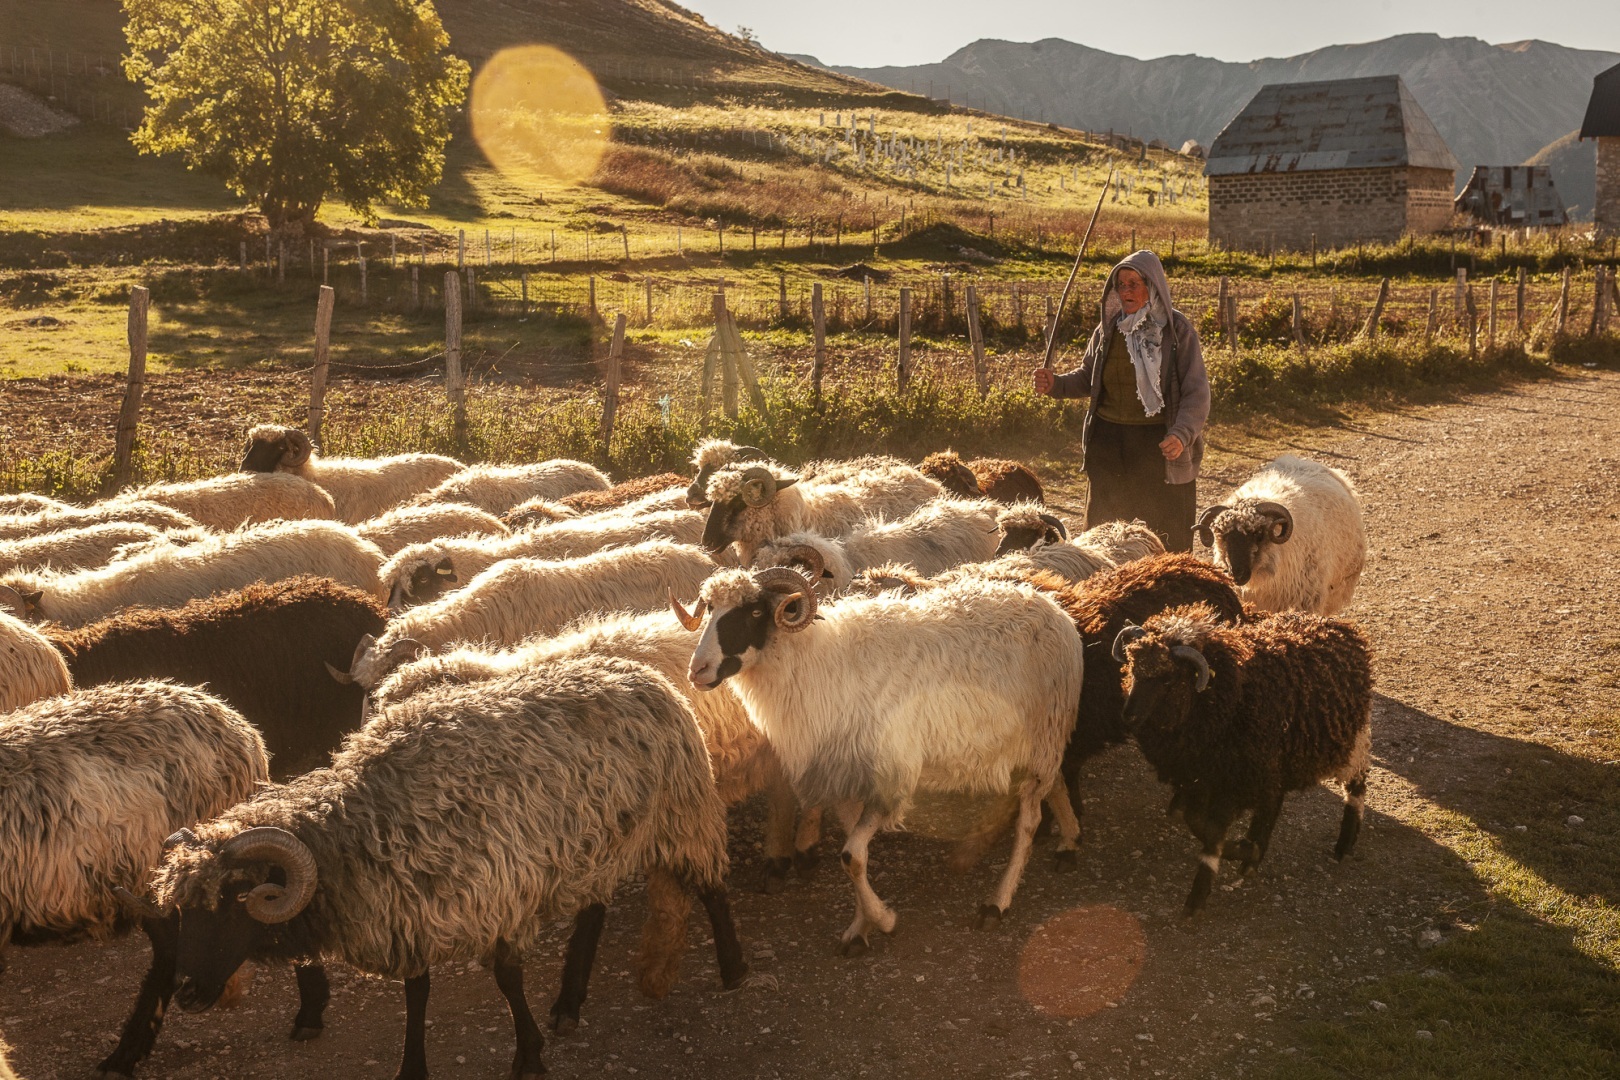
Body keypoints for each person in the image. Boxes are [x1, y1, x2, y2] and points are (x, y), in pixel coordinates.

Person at [1033, 250, 1209, 552]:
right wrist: (1057, 384)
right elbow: (1089, 377)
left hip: (1157, 445)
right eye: (1121, 285)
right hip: (1109, 442)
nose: (1126, 291)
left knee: (1162, 535)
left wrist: (1181, 435)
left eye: (1133, 283)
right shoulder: (1108, 329)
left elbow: (1197, 392)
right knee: (1107, 531)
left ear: (1152, 285)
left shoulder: (1176, 331)